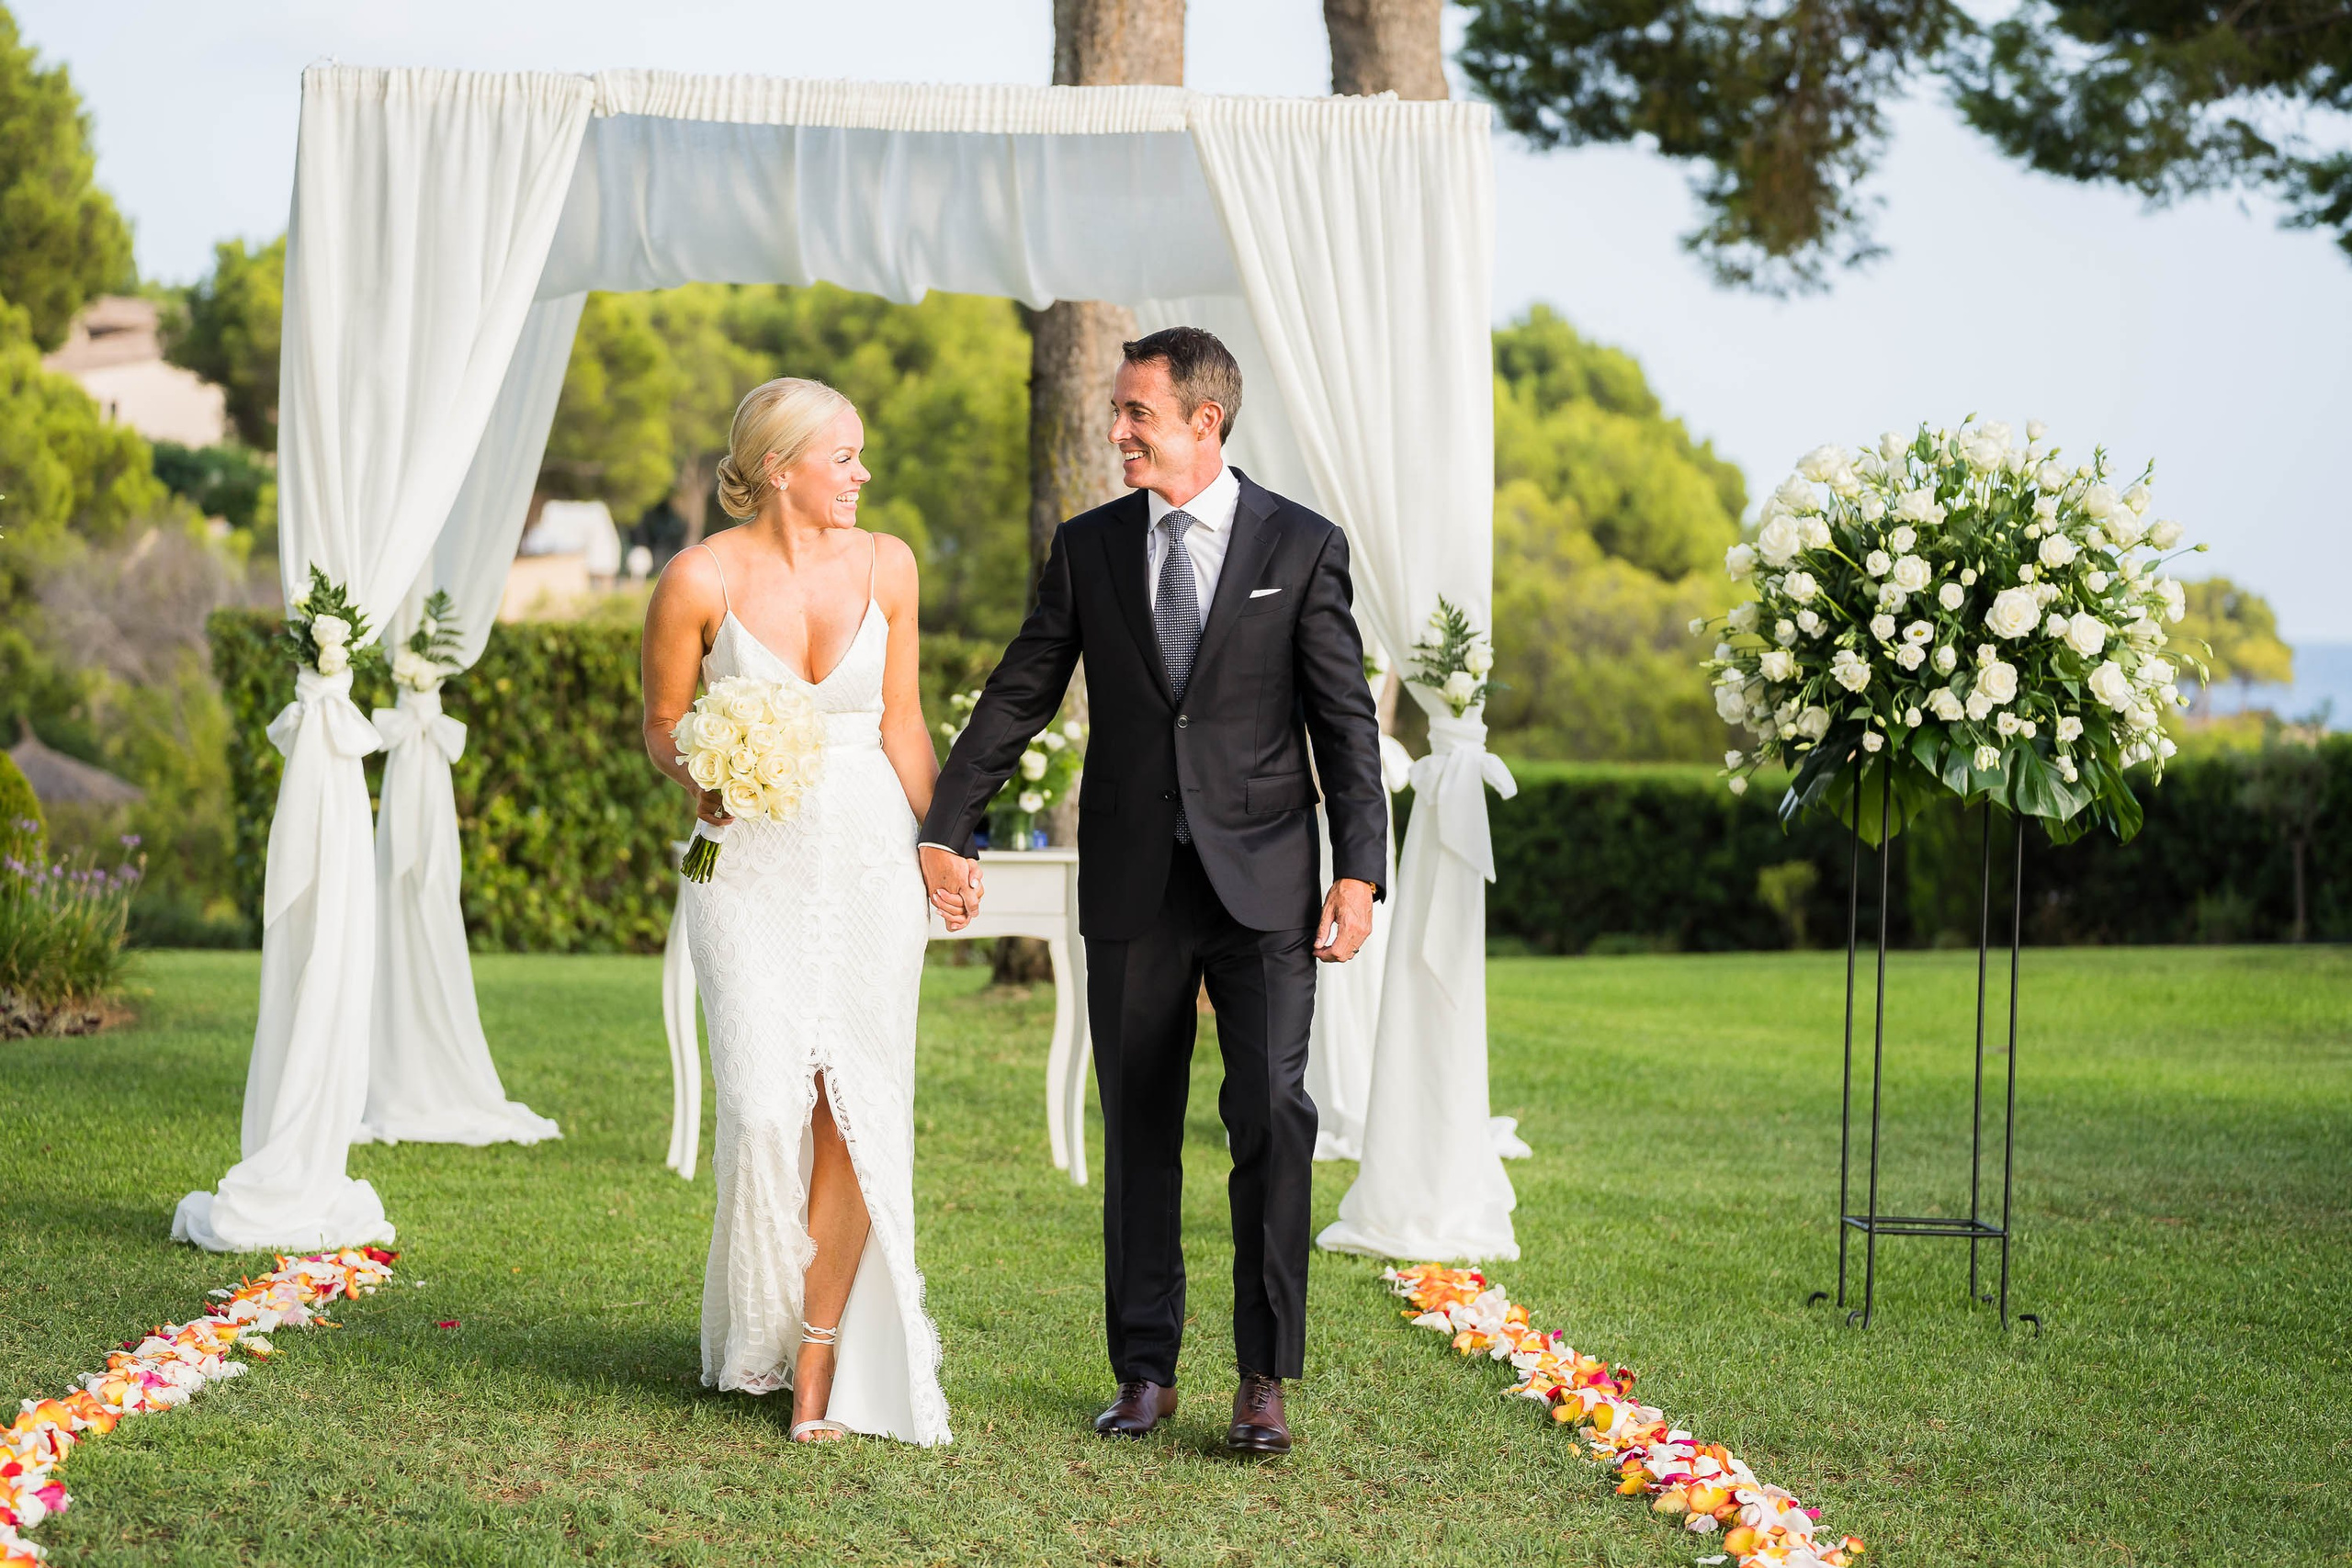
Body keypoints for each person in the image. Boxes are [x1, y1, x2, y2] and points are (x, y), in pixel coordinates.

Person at [919, 327, 1386, 1455]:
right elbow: (1021, 688)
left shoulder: (1304, 544)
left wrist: (1361, 866)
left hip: (1265, 880)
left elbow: (1344, 720)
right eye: (1115, 413)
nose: (1115, 430)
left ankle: (1263, 1378)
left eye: (1135, 413)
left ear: (1202, 423)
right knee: (1136, 1126)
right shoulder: (1087, 548)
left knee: (1270, 1116)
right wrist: (948, 822)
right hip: (1131, 881)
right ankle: (1144, 1371)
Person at [640, 378, 950, 1446]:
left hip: (868, 857)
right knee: (767, 1102)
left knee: (854, 1094)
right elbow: (663, 719)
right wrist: (702, 778)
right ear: (780, 468)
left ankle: (817, 1356)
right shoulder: (696, 579)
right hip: (747, 866)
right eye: (845, 458)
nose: (862, 476)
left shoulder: (890, 565)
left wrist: (946, 840)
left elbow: (903, 724)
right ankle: (764, 1319)